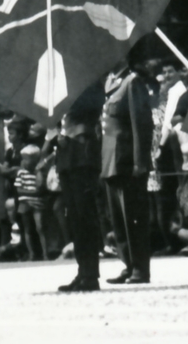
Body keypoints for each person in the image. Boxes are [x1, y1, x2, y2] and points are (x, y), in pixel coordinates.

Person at [102, 48, 154, 285]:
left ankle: (140, 268)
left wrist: (140, 162)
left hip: (126, 161)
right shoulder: (111, 83)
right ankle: (128, 263)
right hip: (111, 162)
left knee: (134, 218)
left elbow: (141, 125)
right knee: (119, 219)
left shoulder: (132, 82)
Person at [56, 81, 106, 292]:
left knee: (85, 216)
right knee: (75, 217)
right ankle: (82, 270)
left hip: (83, 153)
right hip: (67, 155)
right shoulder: (64, 86)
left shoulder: (90, 83)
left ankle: (90, 273)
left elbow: (88, 110)